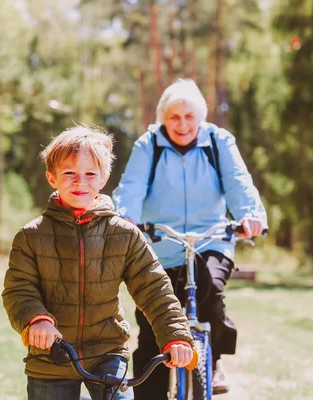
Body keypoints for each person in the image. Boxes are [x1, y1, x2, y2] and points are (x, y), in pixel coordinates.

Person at [2, 125, 196, 400]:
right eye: (69, 173)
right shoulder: (31, 236)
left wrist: (175, 335)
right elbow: (18, 289)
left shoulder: (124, 234)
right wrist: (37, 321)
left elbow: (154, 289)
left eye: (90, 174)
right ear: (51, 177)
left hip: (107, 350)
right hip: (51, 352)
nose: (80, 182)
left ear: (103, 178)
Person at [112, 79, 267, 399]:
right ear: (162, 118)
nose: (182, 124)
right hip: (158, 243)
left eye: (189, 117)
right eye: (174, 117)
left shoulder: (219, 142)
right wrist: (126, 216)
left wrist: (250, 216)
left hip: (211, 238)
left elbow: (239, 182)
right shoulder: (149, 145)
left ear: (201, 118)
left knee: (209, 286)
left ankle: (214, 360)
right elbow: (131, 186)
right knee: (152, 325)